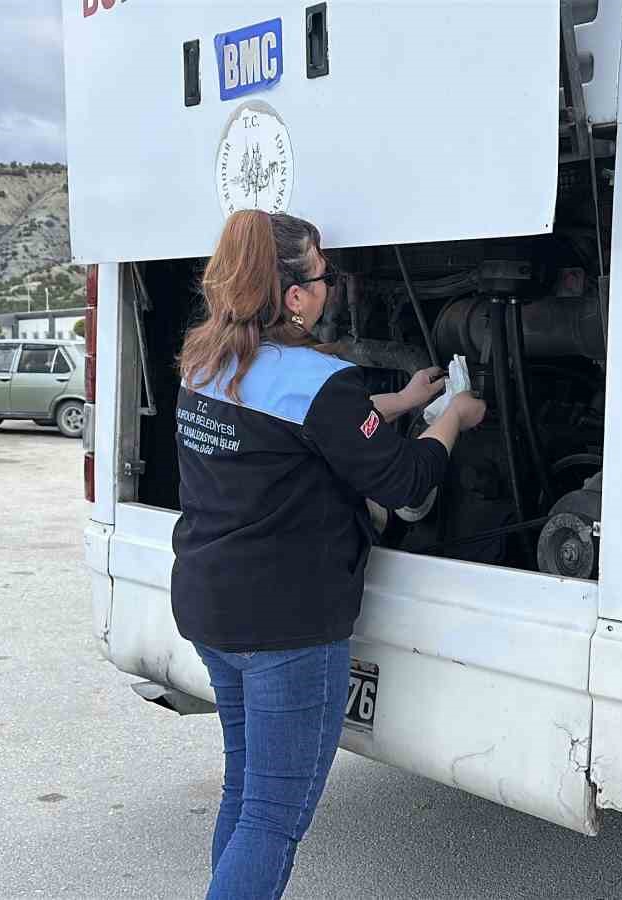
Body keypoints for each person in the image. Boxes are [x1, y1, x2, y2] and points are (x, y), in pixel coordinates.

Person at [170, 209, 485, 900]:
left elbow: (308, 426)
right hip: (285, 627)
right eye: (322, 276)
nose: (329, 287)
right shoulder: (318, 379)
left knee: (246, 794)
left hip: (210, 606)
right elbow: (404, 480)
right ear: (293, 296)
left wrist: (399, 401)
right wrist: (453, 419)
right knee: (272, 820)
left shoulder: (205, 360)